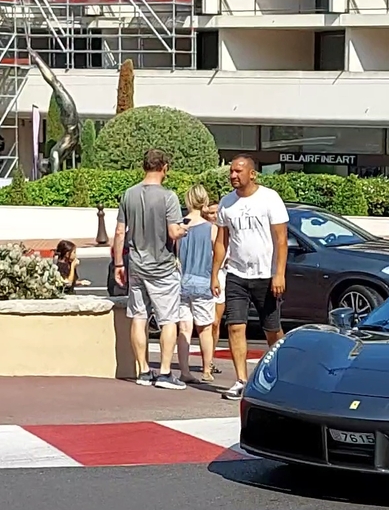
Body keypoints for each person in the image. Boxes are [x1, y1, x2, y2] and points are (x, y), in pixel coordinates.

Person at [211, 153, 290, 402]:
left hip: (265, 275)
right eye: (231, 171)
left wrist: (279, 274)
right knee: (235, 326)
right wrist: (214, 274)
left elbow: (281, 240)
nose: (233, 175)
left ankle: (282, 375)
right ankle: (242, 381)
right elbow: (222, 241)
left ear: (252, 174)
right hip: (236, 274)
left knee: (272, 330)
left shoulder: (269, 199)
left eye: (238, 171)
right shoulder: (226, 203)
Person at [110, 150, 188, 388]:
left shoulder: (129, 195)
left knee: (139, 316)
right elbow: (174, 232)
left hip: (136, 264)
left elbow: (120, 232)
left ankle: (143, 370)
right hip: (162, 266)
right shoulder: (169, 197)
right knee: (168, 319)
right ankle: (165, 372)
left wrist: (118, 263)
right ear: (164, 167)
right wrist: (185, 229)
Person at [175, 185, 221, 383]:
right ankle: (206, 369)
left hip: (182, 281)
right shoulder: (211, 228)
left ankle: (184, 371)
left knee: (184, 329)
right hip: (203, 281)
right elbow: (219, 254)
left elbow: (175, 254)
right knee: (205, 328)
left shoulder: (180, 226)